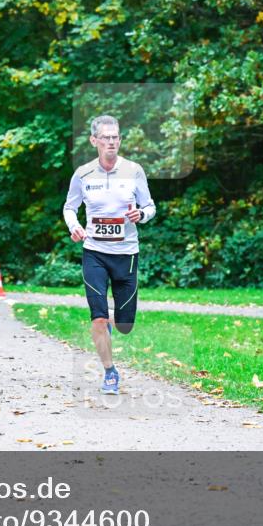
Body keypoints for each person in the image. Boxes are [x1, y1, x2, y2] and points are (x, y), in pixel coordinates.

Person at [63, 115, 156, 394]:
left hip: (126, 254)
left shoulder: (134, 170)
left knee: (125, 324)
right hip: (95, 253)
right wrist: (75, 226)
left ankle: (111, 326)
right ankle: (110, 372)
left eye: (115, 137)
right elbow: (69, 208)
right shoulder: (83, 174)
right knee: (98, 317)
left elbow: (150, 206)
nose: (112, 142)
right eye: (106, 137)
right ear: (94, 141)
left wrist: (141, 214)